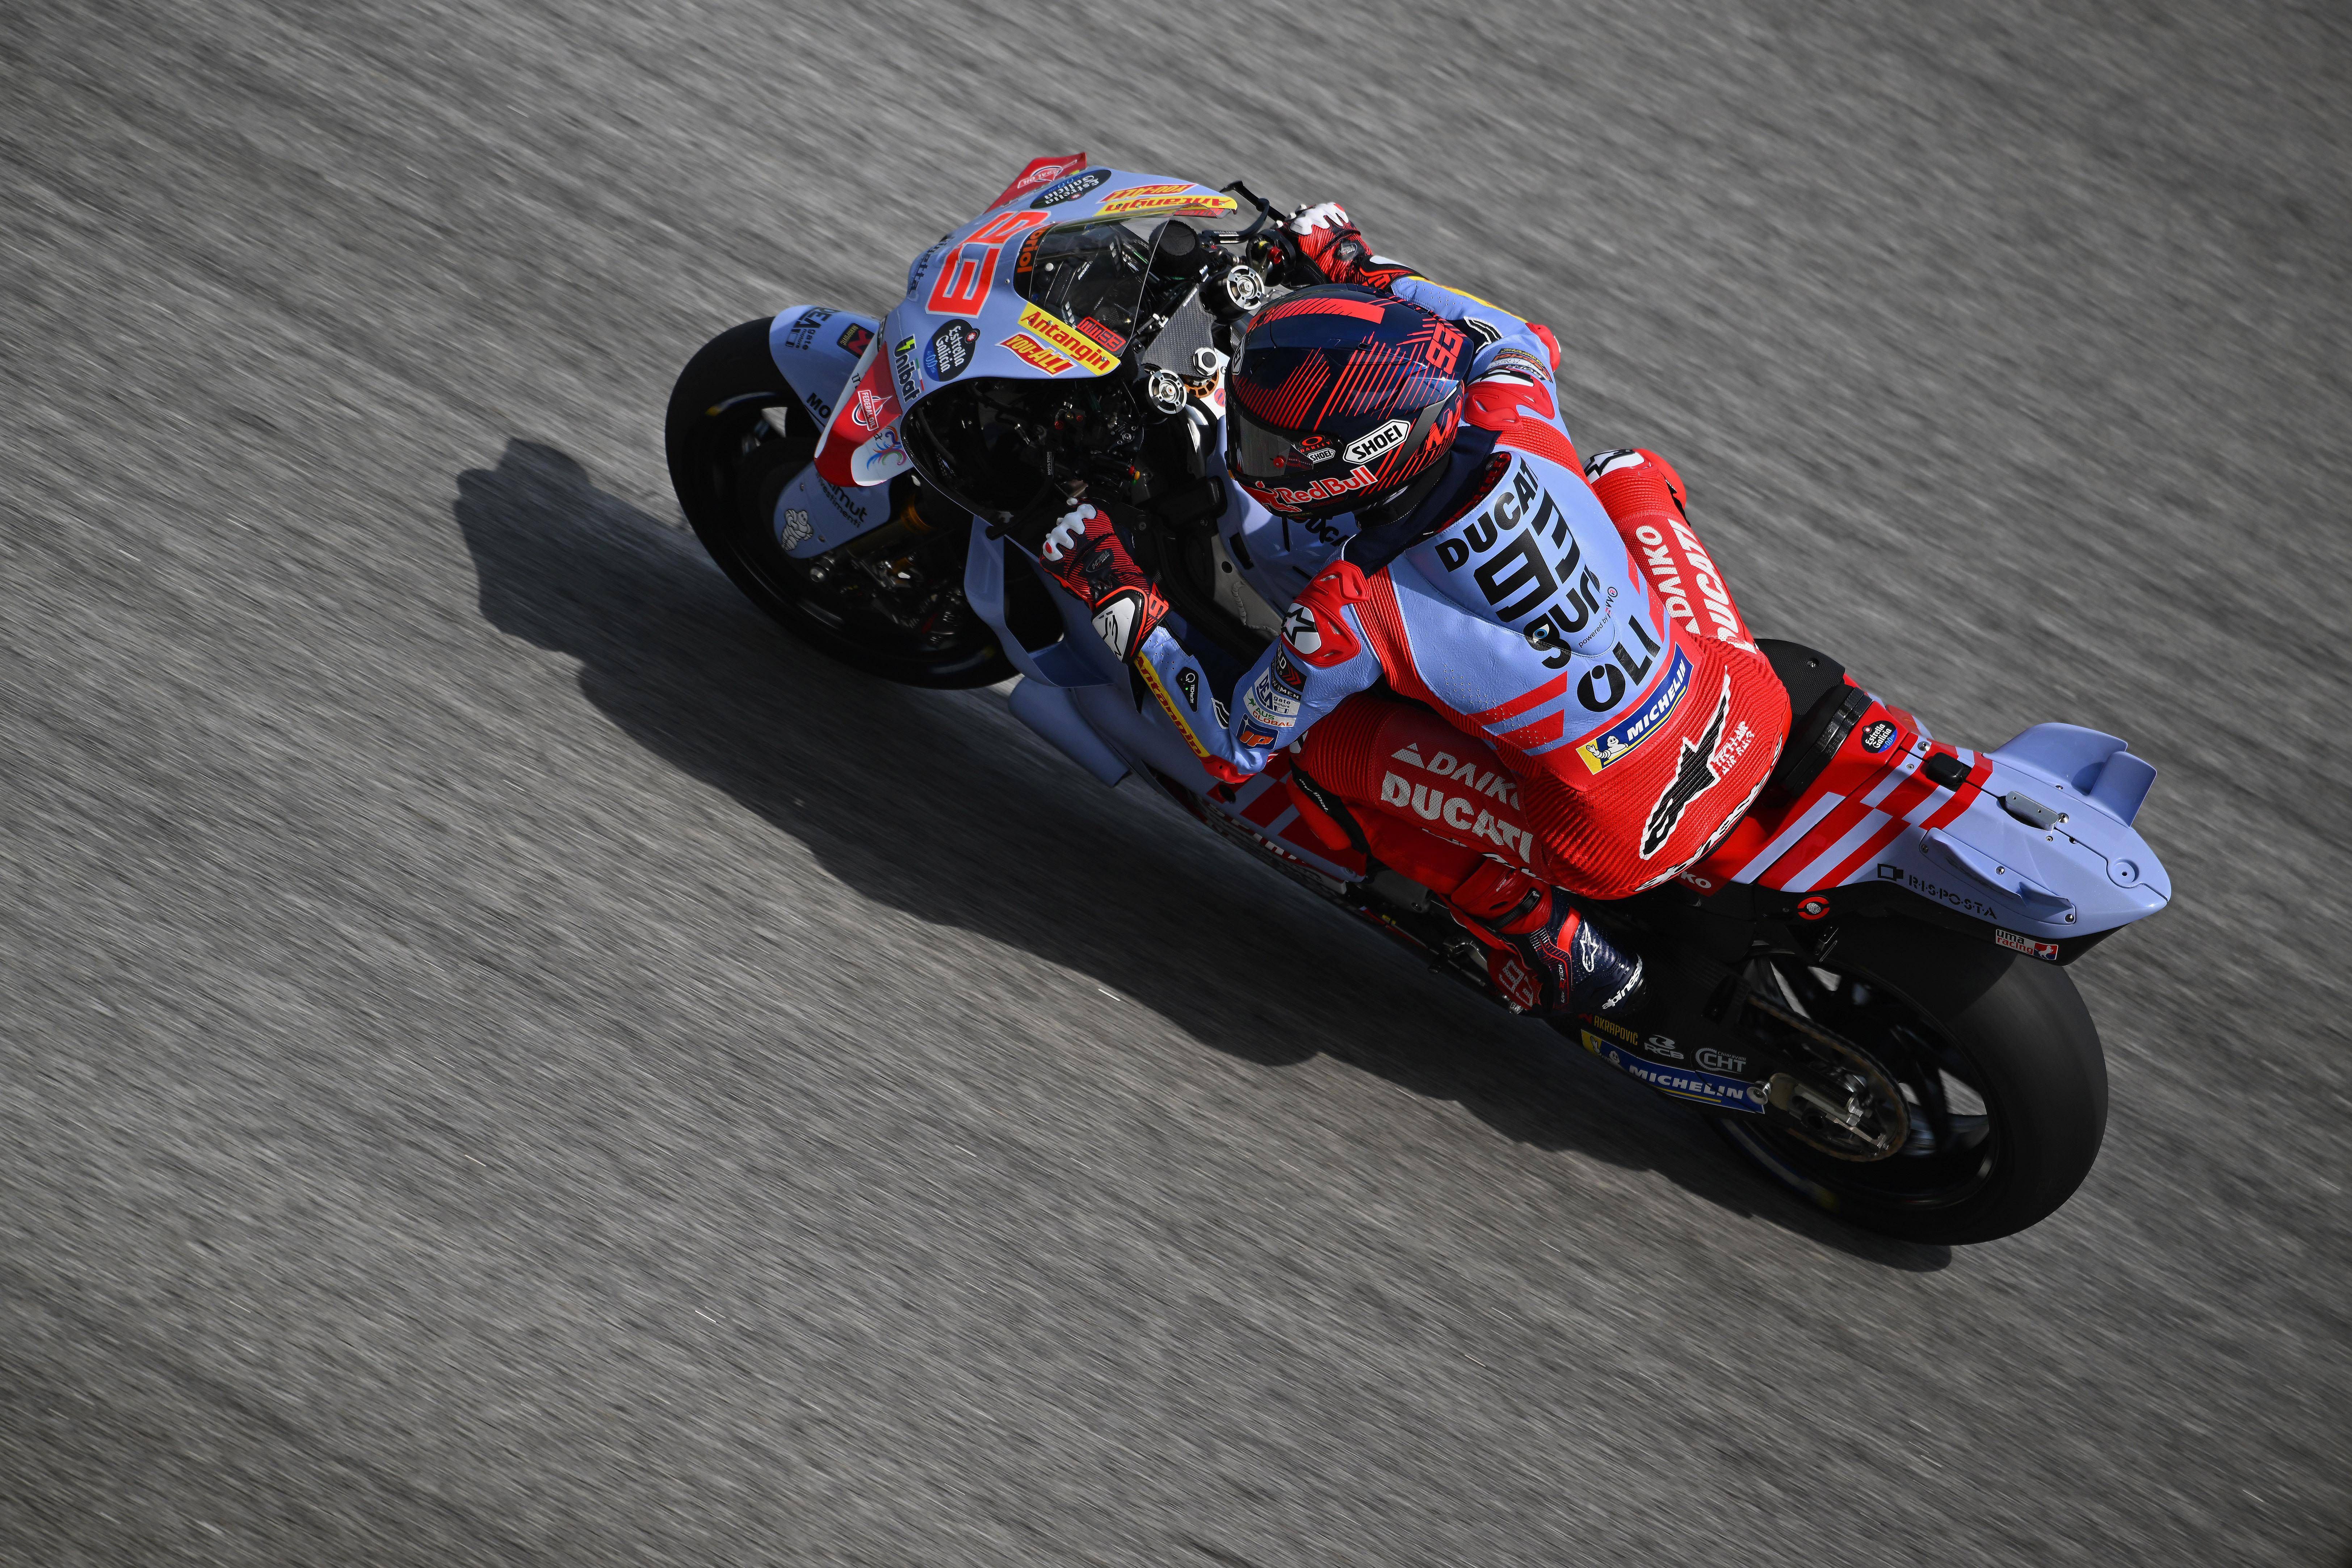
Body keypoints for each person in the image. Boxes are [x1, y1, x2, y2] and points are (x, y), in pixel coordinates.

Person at [1038, 204, 1792, 1018]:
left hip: (1616, 829)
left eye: (1271, 444)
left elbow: (1231, 744)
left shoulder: (1353, 606)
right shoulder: (1512, 396)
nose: (1254, 455)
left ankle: (1537, 929)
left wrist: (1111, 580)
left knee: (1321, 752)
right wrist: (1351, 262)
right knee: (1628, 468)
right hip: (1746, 705)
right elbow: (1504, 329)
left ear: (1346, 465)